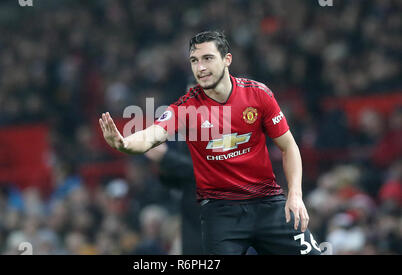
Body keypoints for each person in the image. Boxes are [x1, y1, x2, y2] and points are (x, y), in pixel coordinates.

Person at [99, 31, 321, 255]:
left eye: (207, 58)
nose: (200, 68)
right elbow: (151, 135)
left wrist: (295, 194)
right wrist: (124, 144)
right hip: (221, 213)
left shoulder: (258, 95)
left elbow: (288, 146)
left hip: (268, 204)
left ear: (227, 59)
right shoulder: (186, 107)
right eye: (194, 61)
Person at [145, 142, 204, 255]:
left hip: (215, 213)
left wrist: (166, 157)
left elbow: (207, 170)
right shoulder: (186, 134)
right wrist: (161, 163)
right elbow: (179, 181)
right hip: (190, 217)